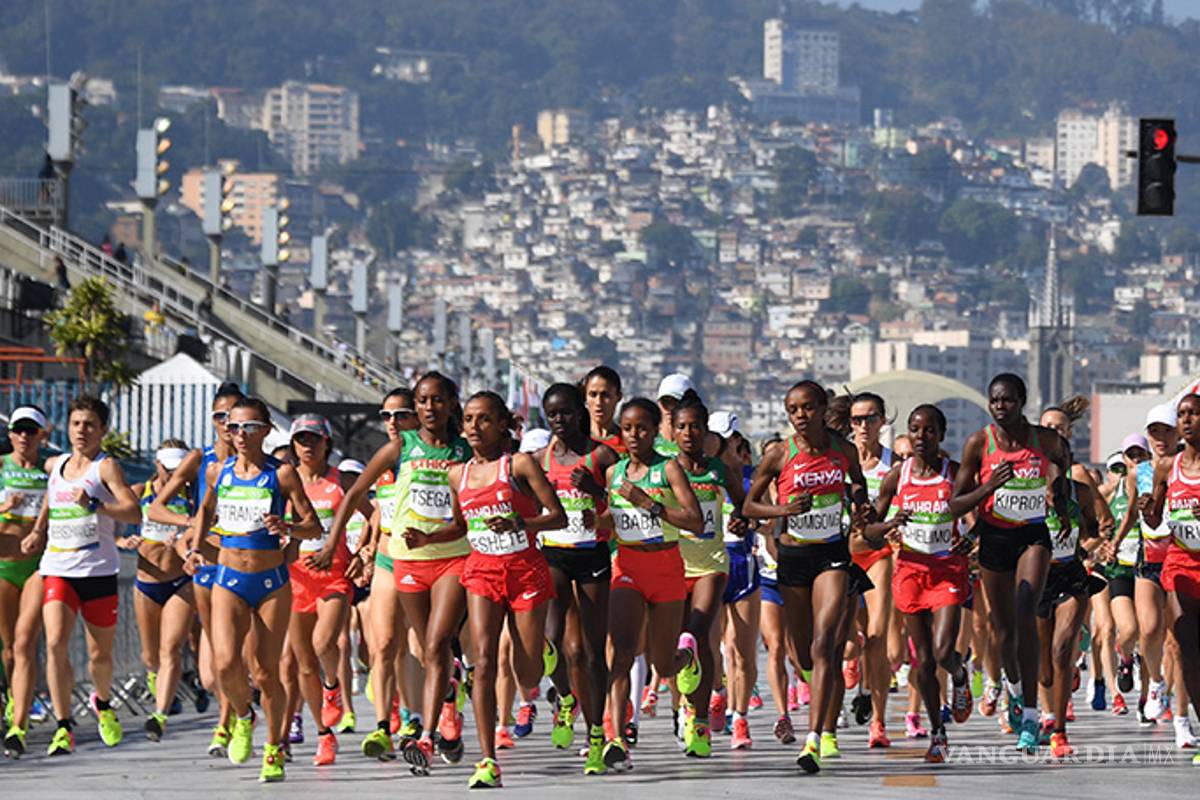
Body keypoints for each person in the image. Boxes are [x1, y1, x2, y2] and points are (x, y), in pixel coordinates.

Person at [326, 373, 472, 773]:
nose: (429, 408)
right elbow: (355, 494)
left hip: (451, 558)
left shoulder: (464, 450)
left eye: (437, 400)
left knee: (439, 640)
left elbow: (470, 511)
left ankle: (424, 738)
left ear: (451, 404)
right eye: (423, 400)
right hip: (407, 560)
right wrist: (334, 544)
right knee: (427, 649)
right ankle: (447, 698)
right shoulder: (399, 447)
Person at [186, 396, 321, 782]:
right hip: (228, 578)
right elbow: (205, 512)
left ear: (265, 430)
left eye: (249, 427)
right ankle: (244, 716)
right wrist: (195, 548)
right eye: (233, 427)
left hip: (270, 582)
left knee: (265, 672)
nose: (240, 434)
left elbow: (314, 526)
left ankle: (275, 747)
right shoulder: (217, 471)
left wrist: (288, 528)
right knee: (225, 665)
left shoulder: (282, 475)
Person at [434, 391, 566, 788]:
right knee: (485, 663)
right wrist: (426, 538)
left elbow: (556, 516)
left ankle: (542, 650)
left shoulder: (520, 464)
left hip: (525, 570)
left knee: (527, 674)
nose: (475, 427)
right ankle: (487, 759)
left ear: (502, 425)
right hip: (482, 572)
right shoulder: (457, 474)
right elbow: (462, 526)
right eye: (469, 420)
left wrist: (521, 526)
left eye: (484, 419)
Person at [743, 380, 872, 774]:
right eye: (793, 410)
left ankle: (815, 738)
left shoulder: (843, 450)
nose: (800, 416)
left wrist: (860, 505)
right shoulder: (781, 454)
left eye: (807, 408)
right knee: (803, 657)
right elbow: (750, 505)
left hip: (832, 555)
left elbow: (859, 485)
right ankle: (825, 695)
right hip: (794, 557)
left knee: (824, 643)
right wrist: (783, 511)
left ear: (821, 409)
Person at [949, 373, 1073, 754]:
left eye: (1007, 400)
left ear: (1022, 401)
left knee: (1025, 612)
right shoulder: (978, 444)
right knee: (1002, 632)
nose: (1000, 407)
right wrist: (989, 487)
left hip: (1033, 536)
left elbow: (1063, 465)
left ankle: (1034, 716)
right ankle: (1015, 690)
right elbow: (955, 503)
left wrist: (1061, 498)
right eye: (994, 400)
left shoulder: (1044, 440)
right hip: (995, 539)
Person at [24, 395, 141, 756]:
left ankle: (103, 703)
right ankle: (63, 725)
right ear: (67, 428)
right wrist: (38, 531)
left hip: (98, 571)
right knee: (55, 642)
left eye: (90, 424)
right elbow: (50, 497)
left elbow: (133, 512)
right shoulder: (56, 465)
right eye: (76, 423)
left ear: (102, 430)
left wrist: (95, 504)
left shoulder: (105, 467)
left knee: (99, 657)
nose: (81, 430)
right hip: (58, 568)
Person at [602, 397, 705, 773]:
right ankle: (616, 738)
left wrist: (649, 504)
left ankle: (685, 657)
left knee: (663, 664)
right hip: (627, 566)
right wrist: (593, 521)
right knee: (622, 651)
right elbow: (611, 523)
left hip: (665, 567)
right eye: (627, 428)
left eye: (641, 428)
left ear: (653, 431)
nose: (633, 435)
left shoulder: (670, 469)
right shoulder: (613, 473)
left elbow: (695, 521)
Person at [867, 404, 972, 763]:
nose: (921, 437)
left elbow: (982, 513)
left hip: (947, 569)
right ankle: (938, 733)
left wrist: (971, 539)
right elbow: (869, 532)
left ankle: (959, 675)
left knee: (944, 653)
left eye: (929, 430)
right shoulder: (897, 476)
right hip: (910, 570)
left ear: (941, 435)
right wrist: (890, 523)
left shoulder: (953, 473)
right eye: (915, 430)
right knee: (922, 661)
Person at [147, 381, 244, 757]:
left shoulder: (258, 465)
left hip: (244, 570)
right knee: (209, 672)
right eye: (220, 416)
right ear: (214, 419)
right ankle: (238, 714)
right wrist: (191, 524)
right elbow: (156, 508)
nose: (227, 423)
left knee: (234, 657)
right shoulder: (200, 459)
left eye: (233, 416)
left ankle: (227, 726)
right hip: (205, 568)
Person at [533, 383, 618, 773]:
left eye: (565, 412)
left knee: (590, 650)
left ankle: (596, 735)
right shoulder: (538, 459)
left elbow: (622, 509)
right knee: (548, 643)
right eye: (551, 414)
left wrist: (597, 493)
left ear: (579, 411)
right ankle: (565, 698)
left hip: (592, 555)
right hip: (554, 553)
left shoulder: (601, 455)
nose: (559, 420)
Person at [286, 414, 374, 767]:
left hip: (334, 577)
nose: (307, 445)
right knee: (303, 663)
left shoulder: (341, 483)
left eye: (314, 439)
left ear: (327, 443)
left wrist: (364, 552)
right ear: (293, 445)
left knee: (324, 644)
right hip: (295, 579)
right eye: (301, 439)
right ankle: (324, 735)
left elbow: (374, 514)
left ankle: (333, 686)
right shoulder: (284, 482)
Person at [670, 391, 748, 758]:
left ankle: (699, 719)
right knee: (689, 645)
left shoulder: (719, 470)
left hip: (712, 563)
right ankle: (694, 716)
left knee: (697, 632)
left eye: (695, 426)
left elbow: (744, 505)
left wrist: (741, 520)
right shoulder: (665, 469)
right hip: (673, 565)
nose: (689, 433)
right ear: (672, 432)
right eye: (682, 426)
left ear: (706, 432)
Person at [1141, 393, 1200, 767]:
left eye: (1194, 413)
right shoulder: (1167, 466)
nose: (1187, 420)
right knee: (1185, 644)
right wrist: (1148, 511)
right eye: (1182, 414)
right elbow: (1155, 519)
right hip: (1179, 561)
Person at [130, 442, 196, 742]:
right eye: (167, 469)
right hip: (147, 581)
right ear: (156, 464)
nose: (172, 476)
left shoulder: (191, 496)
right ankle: (164, 689)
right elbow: (110, 525)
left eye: (178, 470)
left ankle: (159, 714)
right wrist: (125, 542)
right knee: (150, 656)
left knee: (171, 648)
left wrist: (186, 541)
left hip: (180, 581)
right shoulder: (140, 491)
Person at [846, 392, 896, 748]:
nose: (864, 426)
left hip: (880, 556)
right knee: (848, 643)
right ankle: (853, 663)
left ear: (883, 421)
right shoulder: (839, 461)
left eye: (871, 418)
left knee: (878, 641)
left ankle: (878, 722)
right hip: (844, 557)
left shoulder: (894, 465)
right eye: (857, 420)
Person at [0, 406, 51, 757]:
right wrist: (5, 508)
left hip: (36, 566)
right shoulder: (1, 467)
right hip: (3, 566)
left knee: (24, 644)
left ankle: (18, 724)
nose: (23, 436)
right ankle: (12, 694)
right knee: (7, 649)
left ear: (41, 435)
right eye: (18, 430)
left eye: (30, 431)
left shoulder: (51, 471)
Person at [710, 412, 760, 750]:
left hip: (743, 564)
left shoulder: (751, 479)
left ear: (737, 441)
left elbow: (769, 521)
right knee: (710, 646)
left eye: (727, 439)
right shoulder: (698, 476)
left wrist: (755, 524)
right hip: (709, 565)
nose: (721, 445)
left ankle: (739, 717)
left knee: (742, 650)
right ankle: (717, 691)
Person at [1128, 403, 1178, 725]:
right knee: (1148, 630)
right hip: (1147, 557)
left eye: (1166, 431)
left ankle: (1175, 704)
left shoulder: (1186, 465)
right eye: (1154, 432)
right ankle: (1156, 681)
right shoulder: (1139, 471)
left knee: (1174, 639)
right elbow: (1133, 512)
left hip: (1180, 556)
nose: (1160, 438)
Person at [1101, 436, 1152, 717]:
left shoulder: (1155, 481)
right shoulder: (1112, 489)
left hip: (1147, 565)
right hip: (1119, 567)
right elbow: (1095, 517)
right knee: (1129, 630)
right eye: (1130, 455)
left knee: (1148, 634)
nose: (1135, 459)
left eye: (1140, 454)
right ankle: (1124, 658)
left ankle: (1146, 701)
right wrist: (1104, 542)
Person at [582, 366, 625, 454]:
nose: (598, 402)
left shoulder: (629, 441)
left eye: (605, 395)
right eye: (593, 395)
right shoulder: (575, 439)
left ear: (618, 397)